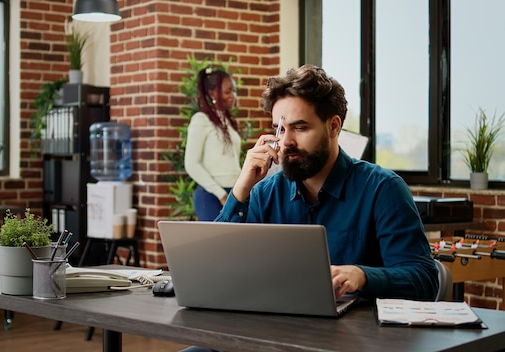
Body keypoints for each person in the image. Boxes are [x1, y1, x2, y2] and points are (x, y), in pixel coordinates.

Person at [179, 64, 439, 352]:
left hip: (350, 343)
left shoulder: (383, 189)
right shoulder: (264, 192)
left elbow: (424, 280)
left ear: (334, 126)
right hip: (267, 336)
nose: (286, 141)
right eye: (280, 128)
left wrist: (362, 276)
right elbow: (213, 271)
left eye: (300, 128)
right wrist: (240, 190)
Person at [184, 67, 241, 221]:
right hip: (211, 196)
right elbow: (191, 164)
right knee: (217, 244)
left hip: (234, 193)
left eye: (234, 91)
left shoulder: (228, 122)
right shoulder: (201, 120)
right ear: (213, 93)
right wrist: (220, 194)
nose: (233, 96)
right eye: (228, 91)